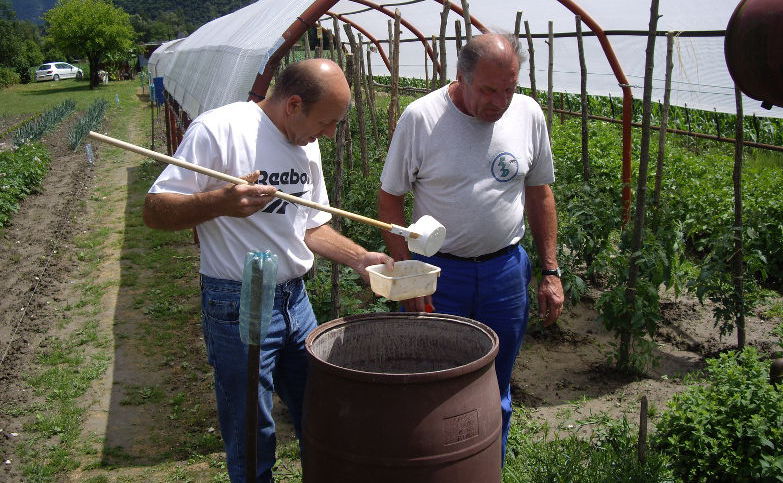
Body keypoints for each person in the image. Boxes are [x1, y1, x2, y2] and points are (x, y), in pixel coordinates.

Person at [144, 58, 393, 482]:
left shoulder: (305, 140)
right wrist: (217, 203)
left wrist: (359, 258)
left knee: (318, 407)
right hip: (237, 300)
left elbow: (310, 224)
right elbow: (155, 211)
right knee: (251, 427)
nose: (330, 134)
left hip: (295, 300)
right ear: (293, 104)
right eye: (327, 122)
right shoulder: (219, 130)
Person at [378, 33, 564, 460]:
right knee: (436, 380)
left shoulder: (528, 114)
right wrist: (408, 274)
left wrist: (550, 271)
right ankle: (435, 465)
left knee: (496, 380)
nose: (499, 102)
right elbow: (390, 198)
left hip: (505, 271)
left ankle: (485, 464)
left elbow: (539, 193)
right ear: (460, 77)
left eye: (509, 89)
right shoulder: (422, 118)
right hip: (440, 272)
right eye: (488, 90)